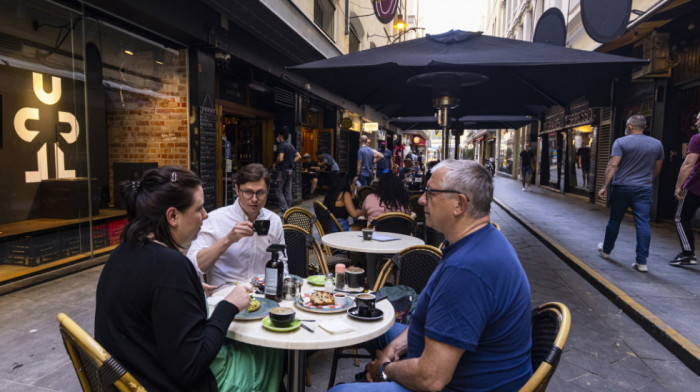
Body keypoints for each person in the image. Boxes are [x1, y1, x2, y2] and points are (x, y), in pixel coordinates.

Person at [330, 159, 532, 392]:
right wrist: (392, 350)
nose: (423, 199)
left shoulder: (467, 270)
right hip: (442, 360)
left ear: (459, 204)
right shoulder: (477, 241)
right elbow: (429, 325)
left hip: (458, 384)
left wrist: (384, 369)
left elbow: (431, 378)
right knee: (363, 318)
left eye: (431, 192)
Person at [95, 166, 281, 391]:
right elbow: (191, 367)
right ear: (172, 216)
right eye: (199, 208)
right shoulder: (170, 266)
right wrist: (228, 306)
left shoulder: (122, 252)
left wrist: (189, 291)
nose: (205, 216)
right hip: (168, 383)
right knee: (270, 353)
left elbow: (153, 301)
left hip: (133, 375)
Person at [187, 163, 288, 287]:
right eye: (248, 192)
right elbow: (194, 265)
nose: (254, 199)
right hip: (226, 296)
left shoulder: (274, 220)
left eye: (260, 192)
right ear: (237, 189)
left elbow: (282, 260)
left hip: (264, 295)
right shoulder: (214, 219)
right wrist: (228, 240)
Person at [597, 114, 664, 273]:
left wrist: (604, 186)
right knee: (642, 223)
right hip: (644, 188)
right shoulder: (657, 144)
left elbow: (613, 164)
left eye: (627, 126)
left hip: (622, 187)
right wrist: (647, 180)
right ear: (645, 127)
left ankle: (606, 250)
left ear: (630, 127)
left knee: (615, 220)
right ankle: (641, 262)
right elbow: (658, 168)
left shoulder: (621, 142)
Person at [670, 110, 700, 267]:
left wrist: (678, 186)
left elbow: (689, 164)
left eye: (698, 119)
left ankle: (687, 254)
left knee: (681, 218)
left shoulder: (697, 138)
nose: (696, 123)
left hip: (696, 187)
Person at [272, 126, 301, 212]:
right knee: (288, 190)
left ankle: (284, 209)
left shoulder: (282, 146)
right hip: (290, 170)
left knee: (279, 190)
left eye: (278, 135)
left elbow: (280, 158)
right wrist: (291, 162)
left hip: (283, 170)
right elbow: (298, 156)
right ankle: (288, 208)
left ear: (280, 136)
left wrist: (275, 163)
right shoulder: (291, 146)